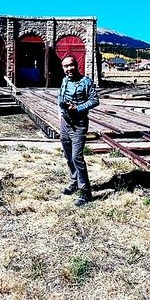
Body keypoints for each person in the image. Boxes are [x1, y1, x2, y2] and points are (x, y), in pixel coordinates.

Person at [58, 55, 99, 206]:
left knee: (77, 157)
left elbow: (95, 100)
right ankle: (74, 181)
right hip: (65, 123)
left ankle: (85, 192)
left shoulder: (86, 82)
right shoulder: (64, 80)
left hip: (79, 124)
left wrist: (79, 108)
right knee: (68, 155)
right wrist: (60, 115)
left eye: (71, 65)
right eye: (65, 66)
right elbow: (60, 97)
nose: (68, 69)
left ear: (76, 65)